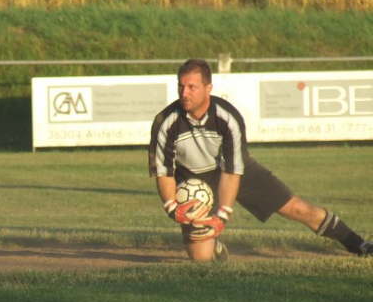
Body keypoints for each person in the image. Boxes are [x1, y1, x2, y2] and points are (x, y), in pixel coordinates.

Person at [148, 58, 372, 261]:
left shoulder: (228, 118)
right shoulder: (166, 122)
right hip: (194, 180)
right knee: (201, 259)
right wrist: (172, 207)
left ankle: (358, 244)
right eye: (181, 86)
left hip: (237, 172)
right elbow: (164, 172)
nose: (184, 92)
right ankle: (214, 246)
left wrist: (221, 216)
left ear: (208, 88)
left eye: (192, 87)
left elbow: (231, 172)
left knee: (298, 209)